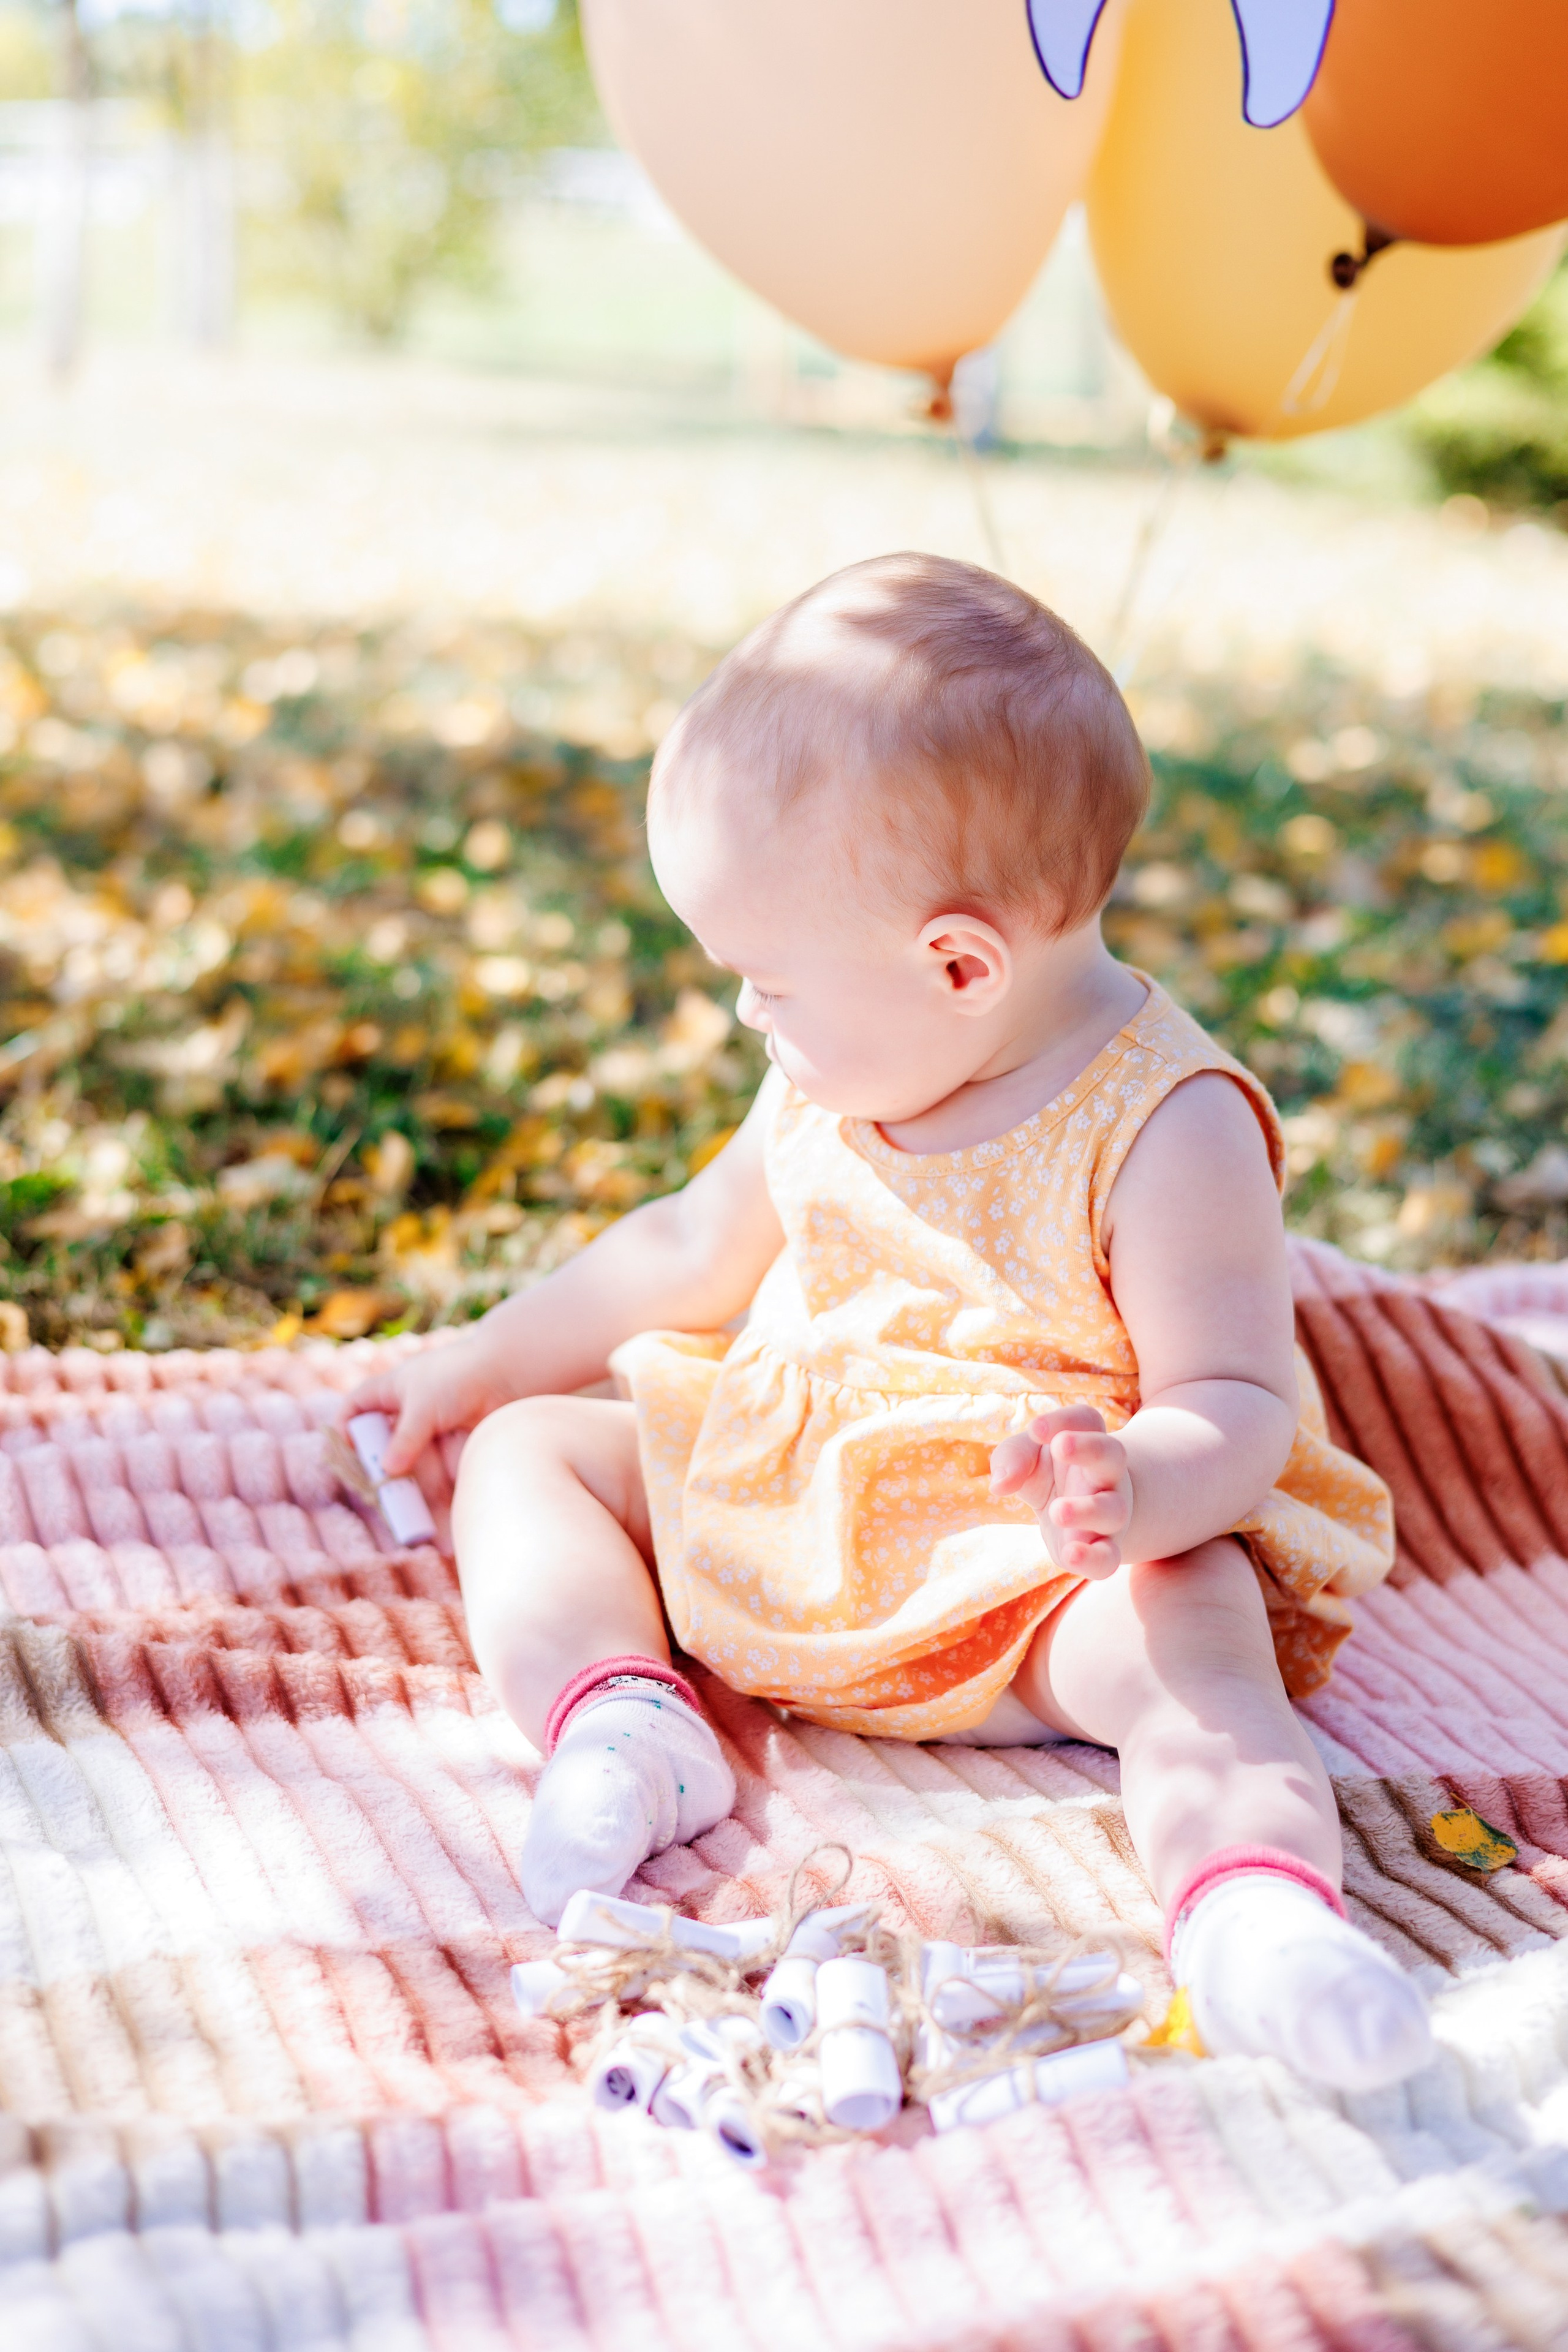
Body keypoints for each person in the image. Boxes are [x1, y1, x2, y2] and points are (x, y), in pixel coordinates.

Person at [348, 553, 1431, 2092]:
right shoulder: (842, 1060)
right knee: (532, 1452)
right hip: (795, 1507)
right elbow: (685, 1246)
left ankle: (1254, 1913)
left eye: (766, 982)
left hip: (1032, 1577)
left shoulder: (1163, 1126)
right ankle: (622, 1717)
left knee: (1198, 1635)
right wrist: (483, 1356)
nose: (748, 1018)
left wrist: (1135, 1483)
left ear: (957, 962)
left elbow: (1240, 1403)